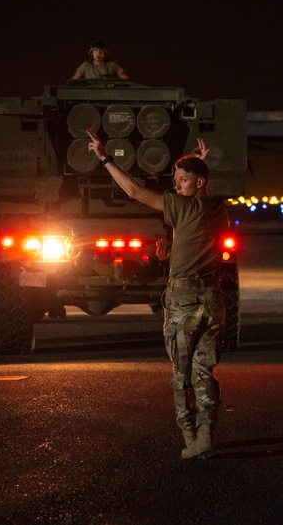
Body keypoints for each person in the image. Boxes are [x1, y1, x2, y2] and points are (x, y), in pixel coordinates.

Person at [86, 129, 228, 460]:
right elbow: (199, 221)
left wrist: (105, 157)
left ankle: (190, 437)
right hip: (212, 301)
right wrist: (201, 168)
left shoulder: (183, 207)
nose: (176, 186)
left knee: (181, 374)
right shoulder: (219, 208)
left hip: (184, 303)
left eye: (182, 180)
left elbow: (135, 191)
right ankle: (206, 433)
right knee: (203, 371)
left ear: (198, 184)